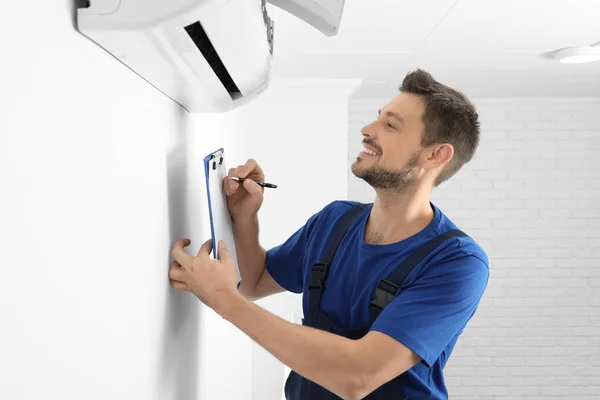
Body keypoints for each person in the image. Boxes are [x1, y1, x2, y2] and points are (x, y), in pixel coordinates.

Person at [169, 68, 489, 400]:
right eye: (377, 118)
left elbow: (358, 376)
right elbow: (255, 281)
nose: (367, 130)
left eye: (390, 125)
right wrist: (245, 218)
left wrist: (223, 299)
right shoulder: (334, 221)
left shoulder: (457, 262)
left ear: (436, 155)